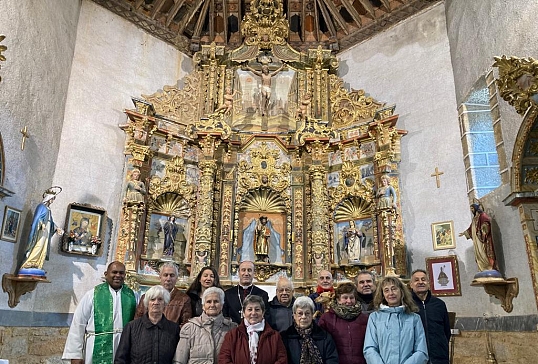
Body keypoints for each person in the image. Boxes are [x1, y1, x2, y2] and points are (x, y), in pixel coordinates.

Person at [62, 261, 137, 364]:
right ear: (106, 274)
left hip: (124, 347)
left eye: (121, 273)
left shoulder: (133, 296)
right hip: (97, 346)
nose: (118, 275)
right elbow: (78, 324)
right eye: (114, 272)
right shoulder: (92, 295)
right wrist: (75, 355)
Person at [363, 276, 428, 364]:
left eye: (394, 289)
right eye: (386, 290)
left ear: (401, 291)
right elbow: (370, 348)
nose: (391, 293)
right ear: (382, 295)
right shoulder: (374, 317)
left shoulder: (414, 318)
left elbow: (421, 351)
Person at [114, 285, 179, 364]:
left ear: (165, 303)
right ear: (147, 303)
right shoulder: (131, 327)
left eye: (160, 299)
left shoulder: (174, 329)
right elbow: (121, 359)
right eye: (152, 299)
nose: (156, 303)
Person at [173, 287, 236, 364]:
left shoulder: (232, 328)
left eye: (216, 301)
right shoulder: (190, 328)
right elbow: (179, 360)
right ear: (203, 306)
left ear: (222, 305)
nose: (212, 305)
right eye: (208, 302)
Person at [218, 295, 287, 364]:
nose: (253, 313)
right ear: (244, 313)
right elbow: (223, 359)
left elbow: (282, 360)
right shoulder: (232, 335)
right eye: (250, 309)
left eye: (257, 309)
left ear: (263, 313)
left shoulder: (275, 336)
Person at [17, 187, 64, 278]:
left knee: (43, 248)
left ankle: (37, 264)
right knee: (38, 245)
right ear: (48, 198)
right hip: (40, 231)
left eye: (53, 199)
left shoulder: (48, 209)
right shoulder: (41, 207)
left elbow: (50, 221)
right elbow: (37, 219)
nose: (52, 201)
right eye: (52, 199)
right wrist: (41, 224)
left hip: (46, 231)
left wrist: (57, 228)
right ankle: (29, 263)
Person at [318, 283, 369, 364]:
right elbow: (321, 344)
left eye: (351, 298)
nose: (349, 301)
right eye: (345, 298)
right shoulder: (326, 318)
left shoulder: (364, 319)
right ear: (338, 299)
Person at [281, 296, 338, 364]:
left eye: (307, 313)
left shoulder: (325, 337)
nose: (304, 317)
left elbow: (332, 360)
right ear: (294, 316)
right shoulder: (285, 337)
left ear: (312, 315)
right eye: (300, 313)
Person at [410, 269, 451, 364]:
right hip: (415, 358)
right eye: (416, 280)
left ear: (429, 283)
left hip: (439, 357)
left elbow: (446, 331)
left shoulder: (440, 304)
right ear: (411, 284)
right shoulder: (407, 305)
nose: (420, 282)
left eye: (423, 279)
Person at [135, 262, 192, 327]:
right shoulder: (147, 296)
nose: (168, 279)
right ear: (160, 277)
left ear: (177, 278)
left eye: (172, 275)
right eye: (165, 275)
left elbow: (186, 325)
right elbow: (138, 320)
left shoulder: (184, 299)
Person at [459, 203, 499, 273]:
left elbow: (486, 223)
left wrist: (484, 228)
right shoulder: (474, 219)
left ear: (476, 208)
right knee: (478, 254)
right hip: (476, 240)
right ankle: (482, 268)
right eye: (471, 209)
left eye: (472, 208)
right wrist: (465, 233)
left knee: (483, 252)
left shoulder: (482, 215)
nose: (471, 210)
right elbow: (471, 228)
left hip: (482, 239)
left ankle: (489, 267)